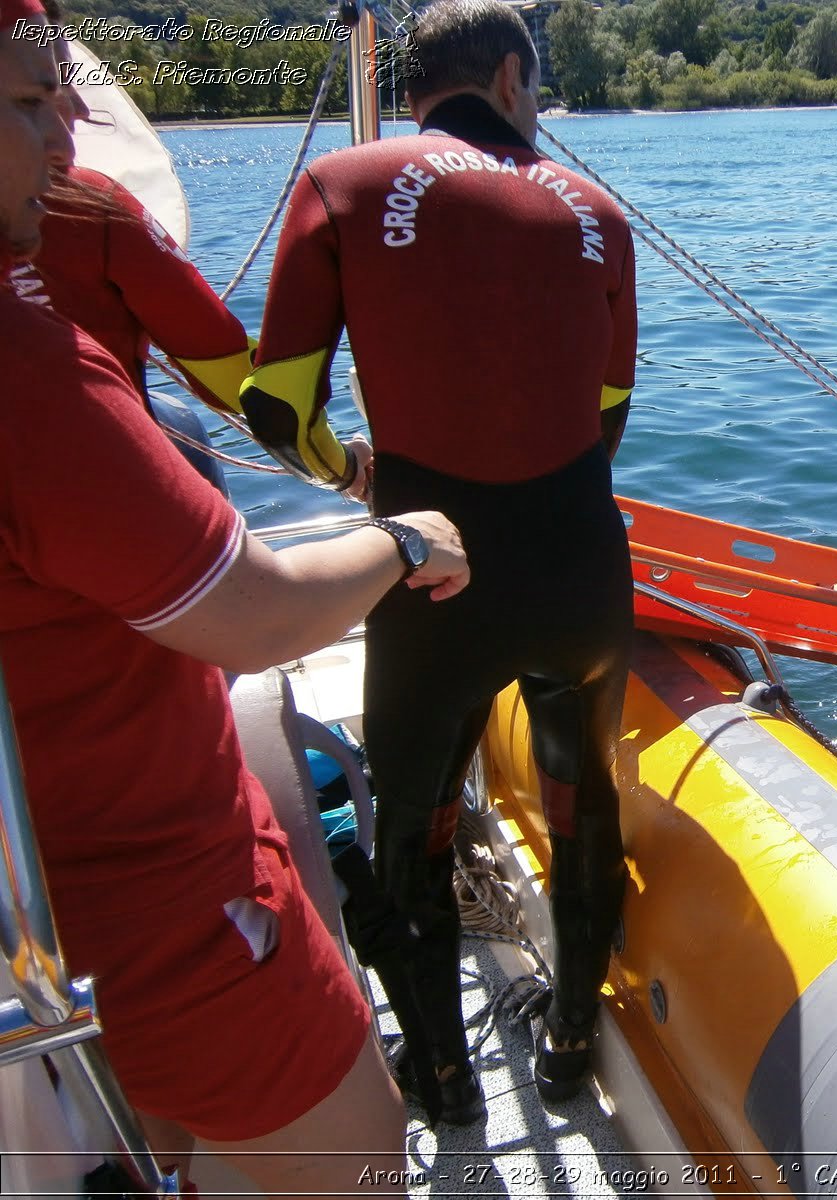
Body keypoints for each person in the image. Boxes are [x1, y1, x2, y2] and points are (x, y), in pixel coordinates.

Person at [0, 8, 470, 1192]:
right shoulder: (45, 338)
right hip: (146, 881)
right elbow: (247, 401)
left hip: (47, 857)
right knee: (364, 1166)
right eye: (24, 102)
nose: (64, 132)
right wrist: (392, 526)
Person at [242, 0, 638, 1119]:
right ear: (510, 78)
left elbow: (278, 407)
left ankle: (447, 1076)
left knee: (414, 827)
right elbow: (608, 410)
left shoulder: (342, 184)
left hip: (432, 577)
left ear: (417, 88)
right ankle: (568, 1042)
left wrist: (359, 477)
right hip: (578, 567)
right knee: (584, 808)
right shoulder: (601, 212)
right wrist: (543, 503)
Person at [9, 0, 257, 494]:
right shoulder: (93, 204)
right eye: (53, 85)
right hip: (98, 492)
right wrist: (344, 466)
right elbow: (233, 375)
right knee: (181, 427)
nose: (81, 106)